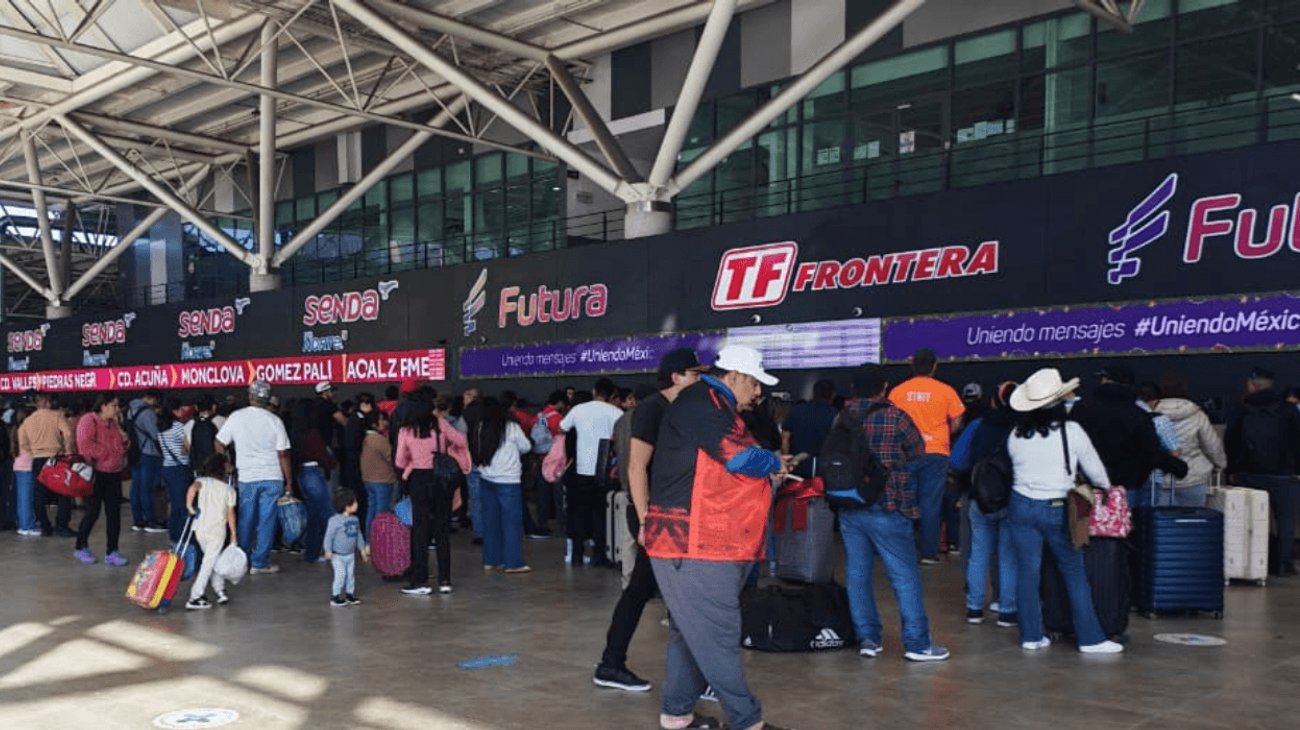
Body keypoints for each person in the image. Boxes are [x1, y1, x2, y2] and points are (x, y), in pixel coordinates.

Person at [645, 344, 793, 730]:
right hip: (694, 543)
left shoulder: (715, 405)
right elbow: (739, 457)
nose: (758, 392)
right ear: (735, 376)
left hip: (701, 541)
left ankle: (676, 714)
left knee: (691, 632)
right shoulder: (705, 403)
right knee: (718, 635)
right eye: (755, 383)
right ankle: (748, 721)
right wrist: (772, 460)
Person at [594, 349, 703, 693]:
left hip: (670, 514)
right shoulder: (652, 409)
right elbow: (636, 467)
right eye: (695, 373)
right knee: (659, 592)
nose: (700, 379)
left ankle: (612, 663)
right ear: (676, 377)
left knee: (646, 590)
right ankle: (612, 664)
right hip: (656, 516)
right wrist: (646, 521)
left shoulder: (679, 409)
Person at [1005, 368, 1124, 655]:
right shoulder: (1071, 432)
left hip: (1020, 506)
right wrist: (1107, 488)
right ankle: (1090, 639)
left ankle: (1031, 636)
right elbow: (1095, 470)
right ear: (1059, 403)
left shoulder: (1015, 434)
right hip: (1058, 508)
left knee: (1027, 573)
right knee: (1073, 572)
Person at [840, 364, 949, 662]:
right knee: (904, 576)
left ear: (854, 389)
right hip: (888, 504)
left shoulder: (843, 417)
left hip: (850, 505)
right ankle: (917, 643)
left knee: (857, 575)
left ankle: (868, 638)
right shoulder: (895, 416)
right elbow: (917, 451)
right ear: (883, 387)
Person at [1069, 364, 1188, 507]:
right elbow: (1150, 452)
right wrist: (1176, 466)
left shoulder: (1082, 408)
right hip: (1127, 484)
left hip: (1087, 485)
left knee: (1088, 521)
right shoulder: (1137, 414)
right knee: (1124, 520)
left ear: (1106, 381)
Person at [950, 382, 1019, 626]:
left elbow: (957, 460)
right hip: (1011, 499)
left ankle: (974, 608)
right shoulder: (1021, 427)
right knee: (1007, 556)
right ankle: (1006, 610)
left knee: (978, 553)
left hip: (980, 497)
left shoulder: (978, 425)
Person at [888, 348, 965, 563]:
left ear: (912, 365)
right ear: (934, 366)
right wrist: (944, 433)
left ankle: (903, 551)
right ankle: (929, 554)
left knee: (904, 501)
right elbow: (957, 419)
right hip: (936, 452)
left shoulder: (898, 392)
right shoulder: (946, 391)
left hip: (906, 452)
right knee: (930, 503)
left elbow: (890, 420)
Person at [1225, 366, 1300, 577]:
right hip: (1283, 474)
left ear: (1252, 385)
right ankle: (1283, 563)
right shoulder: (1288, 410)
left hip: (1248, 473)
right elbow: (1297, 440)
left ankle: (1250, 562)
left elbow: (1230, 441)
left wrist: (1233, 469)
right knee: (1285, 521)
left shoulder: (1241, 409)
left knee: (1247, 520)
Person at [216, 380, 294, 575]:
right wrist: (289, 481)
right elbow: (283, 454)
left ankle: (242, 560)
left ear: (250, 396)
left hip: (247, 477)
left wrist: (226, 464)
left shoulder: (237, 417)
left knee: (246, 519)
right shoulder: (275, 420)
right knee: (267, 521)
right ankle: (259, 563)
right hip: (272, 477)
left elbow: (218, 443)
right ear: (267, 399)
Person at [396, 401, 467, 595]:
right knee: (442, 530)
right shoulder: (441, 424)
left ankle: (421, 581)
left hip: (419, 479)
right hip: (441, 478)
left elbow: (400, 460)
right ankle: (445, 580)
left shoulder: (407, 430)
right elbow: (461, 441)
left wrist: (414, 461)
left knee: (420, 530)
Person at [560, 377, 624, 567]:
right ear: (611, 395)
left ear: (594, 391)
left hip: (581, 469)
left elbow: (561, 427)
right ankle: (599, 555)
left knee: (579, 512)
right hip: (603, 470)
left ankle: (577, 555)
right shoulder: (616, 412)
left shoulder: (579, 409)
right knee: (600, 514)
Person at [469, 398, 533, 573]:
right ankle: (513, 563)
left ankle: (491, 560)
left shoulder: (480, 426)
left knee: (491, 522)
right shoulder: (511, 427)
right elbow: (526, 446)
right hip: (508, 480)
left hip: (486, 478)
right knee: (511, 523)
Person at [1150, 376, 1226, 507]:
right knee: (1192, 518)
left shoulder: (1149, 414)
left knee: (1161, 519)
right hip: (1193, 478)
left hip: (1160, 479)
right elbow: (1212, 445)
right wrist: (1219, 466)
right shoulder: (1197, 414)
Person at [73, 393, 130, 567]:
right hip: (96, 473)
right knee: (92, 512)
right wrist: (107, 454)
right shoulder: (89, 420)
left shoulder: (113, 424)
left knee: (114, 514)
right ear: (103, 405)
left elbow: (123, 445)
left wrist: (123, 440)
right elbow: (85, 445)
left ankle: (112, 551)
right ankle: (80, 546)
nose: (117, 409)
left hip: (114, 473)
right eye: (114, 405)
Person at [184, 453, 238, 610]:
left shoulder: (202, 481)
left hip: (200, 529)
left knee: (213, 559)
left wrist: (189, 507)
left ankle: (220, 590)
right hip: (217, 532)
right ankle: (195, 596)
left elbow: (192, 489)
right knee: (208, 563)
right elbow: (230, 514)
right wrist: (233, 534)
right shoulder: (229, 490)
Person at [19, 392, 75, 537]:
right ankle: (62, 526)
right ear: (46, 402)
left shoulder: (28, 421)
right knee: (63, 492)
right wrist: (67, 449)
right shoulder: (57, 416)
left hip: (37, 460)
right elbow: (68, 433)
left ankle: (45, 526)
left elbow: (22, 442)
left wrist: (33, 450)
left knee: (39, 495)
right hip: (56, 457)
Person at [291, 399, 337, 565]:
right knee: (326, 514)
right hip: (314, 473)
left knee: (313, 516)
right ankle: (334, 548)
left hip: (302, 474)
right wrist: (332, 463)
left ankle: (312, 553)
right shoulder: (313, 434)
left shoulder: (295, 433)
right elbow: (323, 457)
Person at [127, 390, 167, 533]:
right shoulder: (148, 413)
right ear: (152, 398)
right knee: (147, 489)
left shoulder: (130, 410)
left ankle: (138, 521)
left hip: (135, 453)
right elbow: (156, 435)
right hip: (149, 453)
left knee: (136, 488)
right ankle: (151, 521)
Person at [781, 379, 837, 477]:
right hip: (824, 468)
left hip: (797, 466)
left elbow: (785, 439)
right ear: (832, 395)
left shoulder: (796, 411)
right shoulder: (835, 415)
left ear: (814, 392)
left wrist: (786, 463)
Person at [325, 488, 370, 607]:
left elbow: (358, 535)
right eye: (354, 502)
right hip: (337, 555)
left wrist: (362, 550)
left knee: (350, 576)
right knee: (340, 575)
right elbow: (329, 536)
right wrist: (328, 550)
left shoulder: (355, 519)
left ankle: (350, 594)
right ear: (346, 506)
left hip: (350, 555)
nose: (357, 504)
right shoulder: (334, 521)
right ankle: (335, 596)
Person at [157, 397, 192, 543]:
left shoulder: (161, 426)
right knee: (183, 505)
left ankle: (174, 536)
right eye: (180, 409)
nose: (182, 411)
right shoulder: (178, 426)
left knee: (175, 505)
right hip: (180, 469)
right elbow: (186, 448)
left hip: (167, 468)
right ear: (175, 411)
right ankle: (182, 536)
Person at [360, 410, 398, 535]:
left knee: (371, 510)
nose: (385, 422)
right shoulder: (379, 440)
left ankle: (369, 538)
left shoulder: (365, 438)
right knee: (382, 512)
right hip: (383, 480)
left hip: (368, 479)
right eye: (382, 420)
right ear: (374, 424)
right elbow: (392, 458)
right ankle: (380, 539)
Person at [11, 405, 39, 537]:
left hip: (19, 466)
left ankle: (25, 523)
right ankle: (27, 526)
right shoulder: (26, 429)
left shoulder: (17, 429)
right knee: (27, 499)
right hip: (27, 466)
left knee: (23, 498)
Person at [184, 394, 222, 468]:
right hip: (217, 468)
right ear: (214, 407)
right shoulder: (223, 421)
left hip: (198, 468)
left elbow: (187, 448)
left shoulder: (188, 425)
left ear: (196, 407)